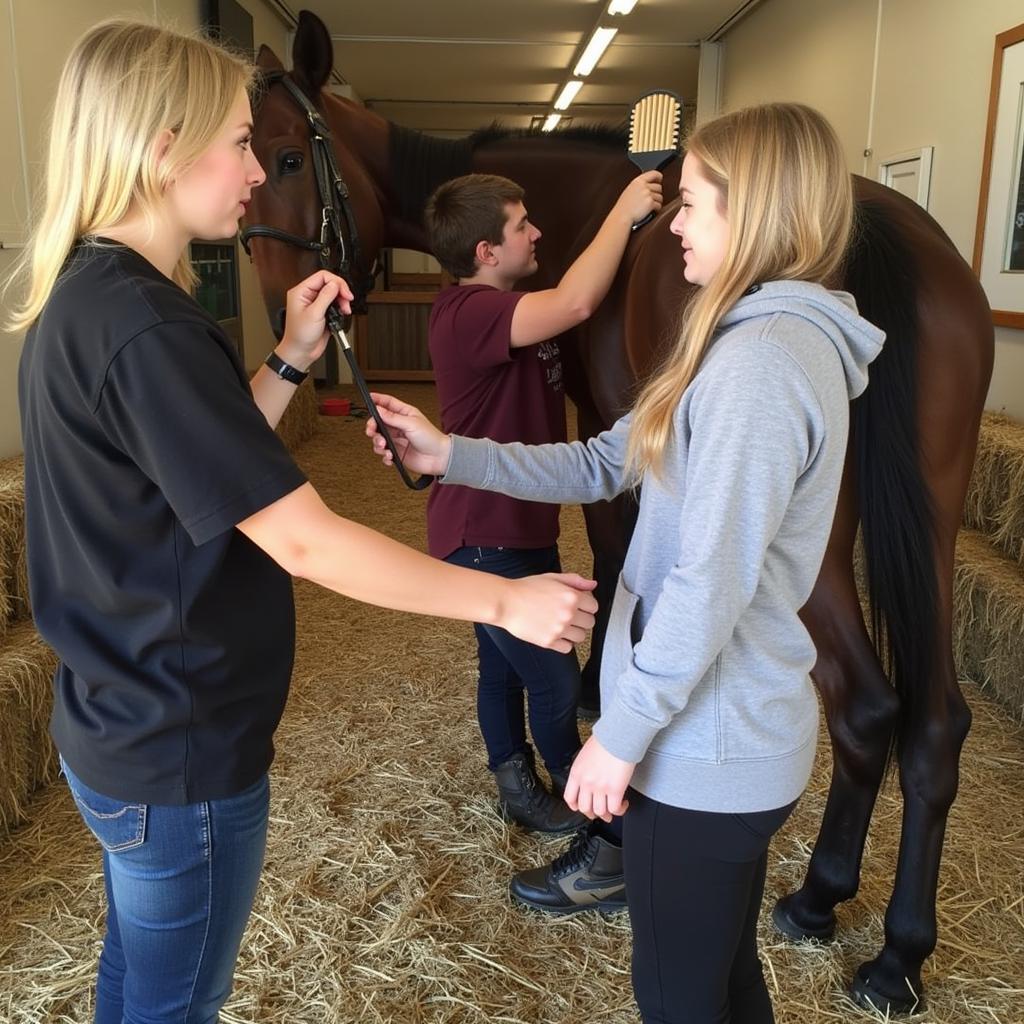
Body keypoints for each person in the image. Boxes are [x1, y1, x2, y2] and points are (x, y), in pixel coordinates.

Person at [6, 20, 597, 1024]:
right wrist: (505, 594)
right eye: (239, 143)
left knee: (141, 981)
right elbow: (303, 536)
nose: (251, 171)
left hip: (127, 729)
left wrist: (287, 357)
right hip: (179, 753)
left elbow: (199, 468)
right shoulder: (147, 327)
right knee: (181, 1001)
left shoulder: (98, 300)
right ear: (161, 145)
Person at [367, 103, 886, 1024]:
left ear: (758, 209)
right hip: (719, 738)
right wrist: (456, 455)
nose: (675, 223)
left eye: (693, 204)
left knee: (676, 998)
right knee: (723, 981)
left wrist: (620, 733)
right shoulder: (740, 338)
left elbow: (709, 583)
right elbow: (609, 458)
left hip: (703, 749)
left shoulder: (761, 363)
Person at [422, 170, 662, 834]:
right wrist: (623, 210)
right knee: (555, 678)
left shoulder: (509, 302)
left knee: (501, 667)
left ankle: (516, 787)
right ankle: (594, 812)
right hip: (483, 528)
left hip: (516, 522)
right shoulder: (468, 312)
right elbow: (580, 301)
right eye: (521, 224)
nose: (537, 232)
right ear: (484, 253)